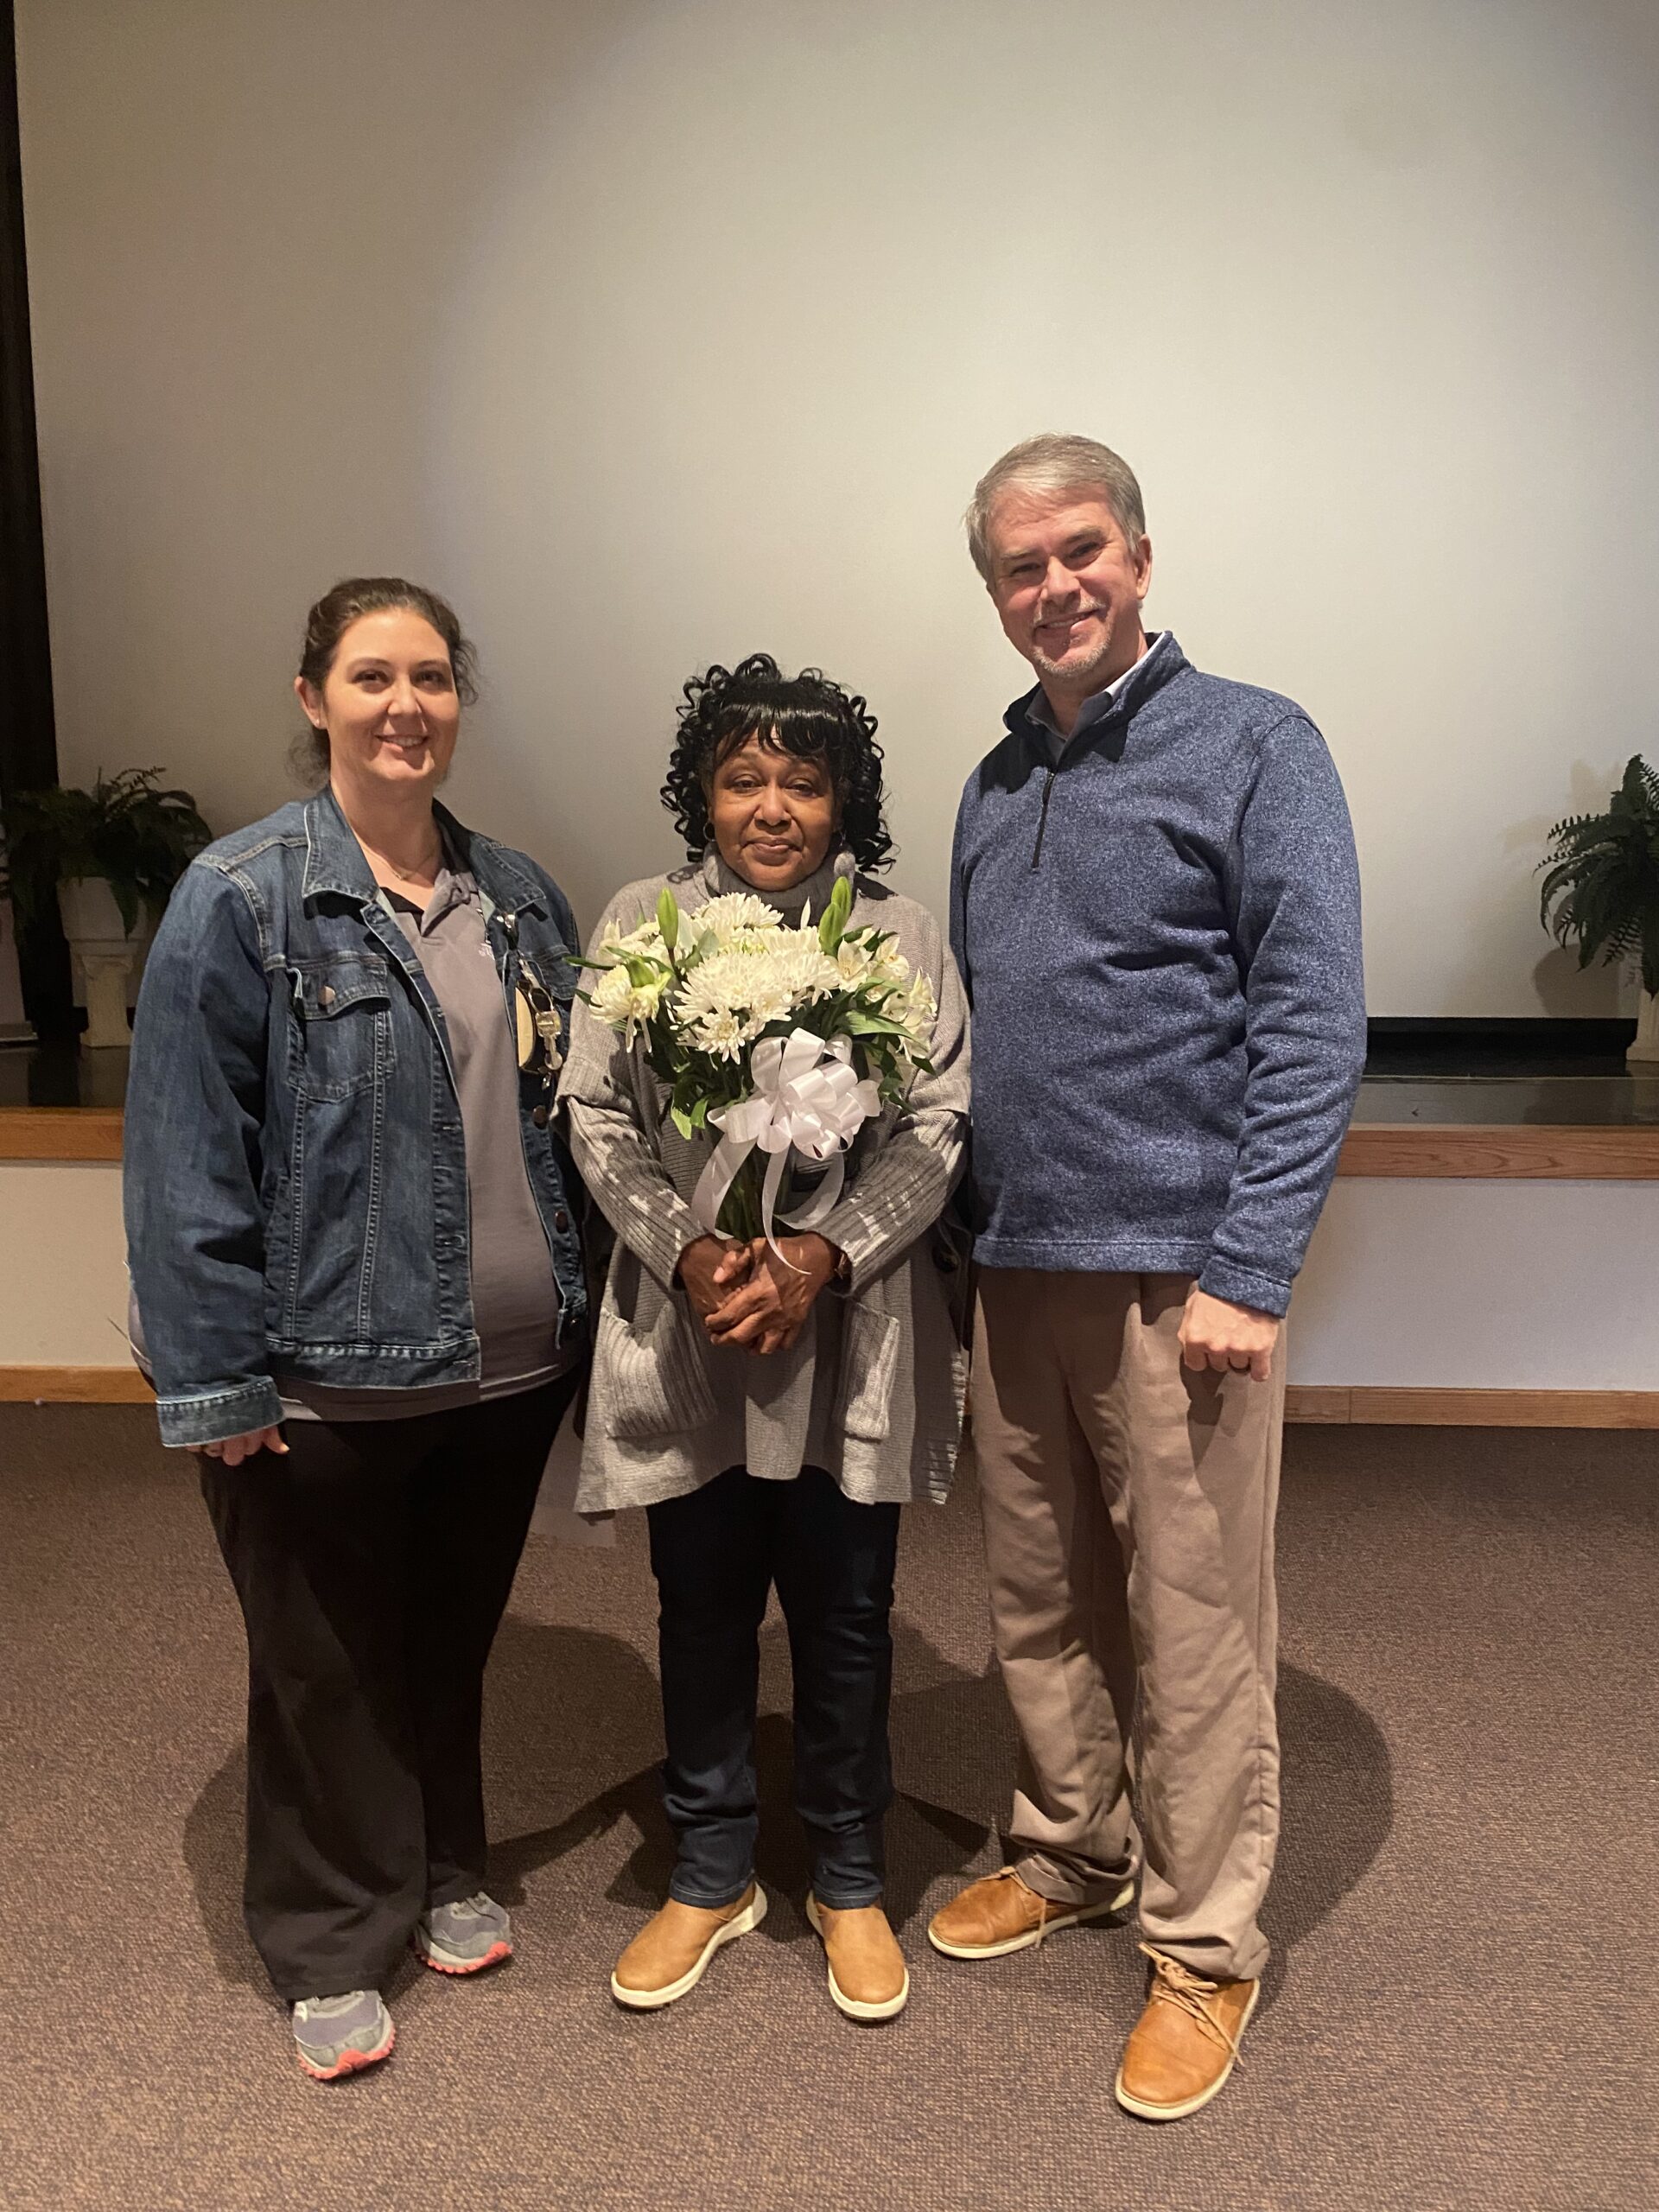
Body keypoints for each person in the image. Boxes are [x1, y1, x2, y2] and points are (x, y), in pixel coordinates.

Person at [931, 436, 1365, 2120]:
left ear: (1142, 552)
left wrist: (1251, 1263)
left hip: (1183, 1281)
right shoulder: (988, 780)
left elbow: (1316, 1015)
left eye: (1081, 549)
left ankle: (1204, 1944)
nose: (1056, 587)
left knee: (1191, 1627)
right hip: (1015, 1267)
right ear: (995, 590)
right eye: (1021, 567)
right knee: (1039, 1603)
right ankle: (1070, 1846)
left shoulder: (1258, 743)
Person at [124, 578, 588, 2081]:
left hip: (505, 1372)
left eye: (436, 678)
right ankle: (330, 1934)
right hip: (320, 1382)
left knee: (446, 1647)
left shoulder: (519, 896)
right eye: (374, 676)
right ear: (316, 695)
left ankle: (443, 1867)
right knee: (324, 1667)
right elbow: (185, 1162)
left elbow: (559, 1121)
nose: (409, 706)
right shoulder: (243, 897)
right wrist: (215, 1383)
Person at [559, 654, 969, 2023]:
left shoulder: (898, 935)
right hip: (695, 1334)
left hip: (848, 1334)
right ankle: (714, 1866)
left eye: (805, 778)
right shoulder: (646, 918)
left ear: (846, 796)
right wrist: (686, 1248)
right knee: (702, 1606)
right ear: (704, 793)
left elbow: (937, 1129)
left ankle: (851, 1877)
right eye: (745, 778)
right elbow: (597, 1115)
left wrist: (822, 1255)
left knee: (850, 1617)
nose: (774, 805)